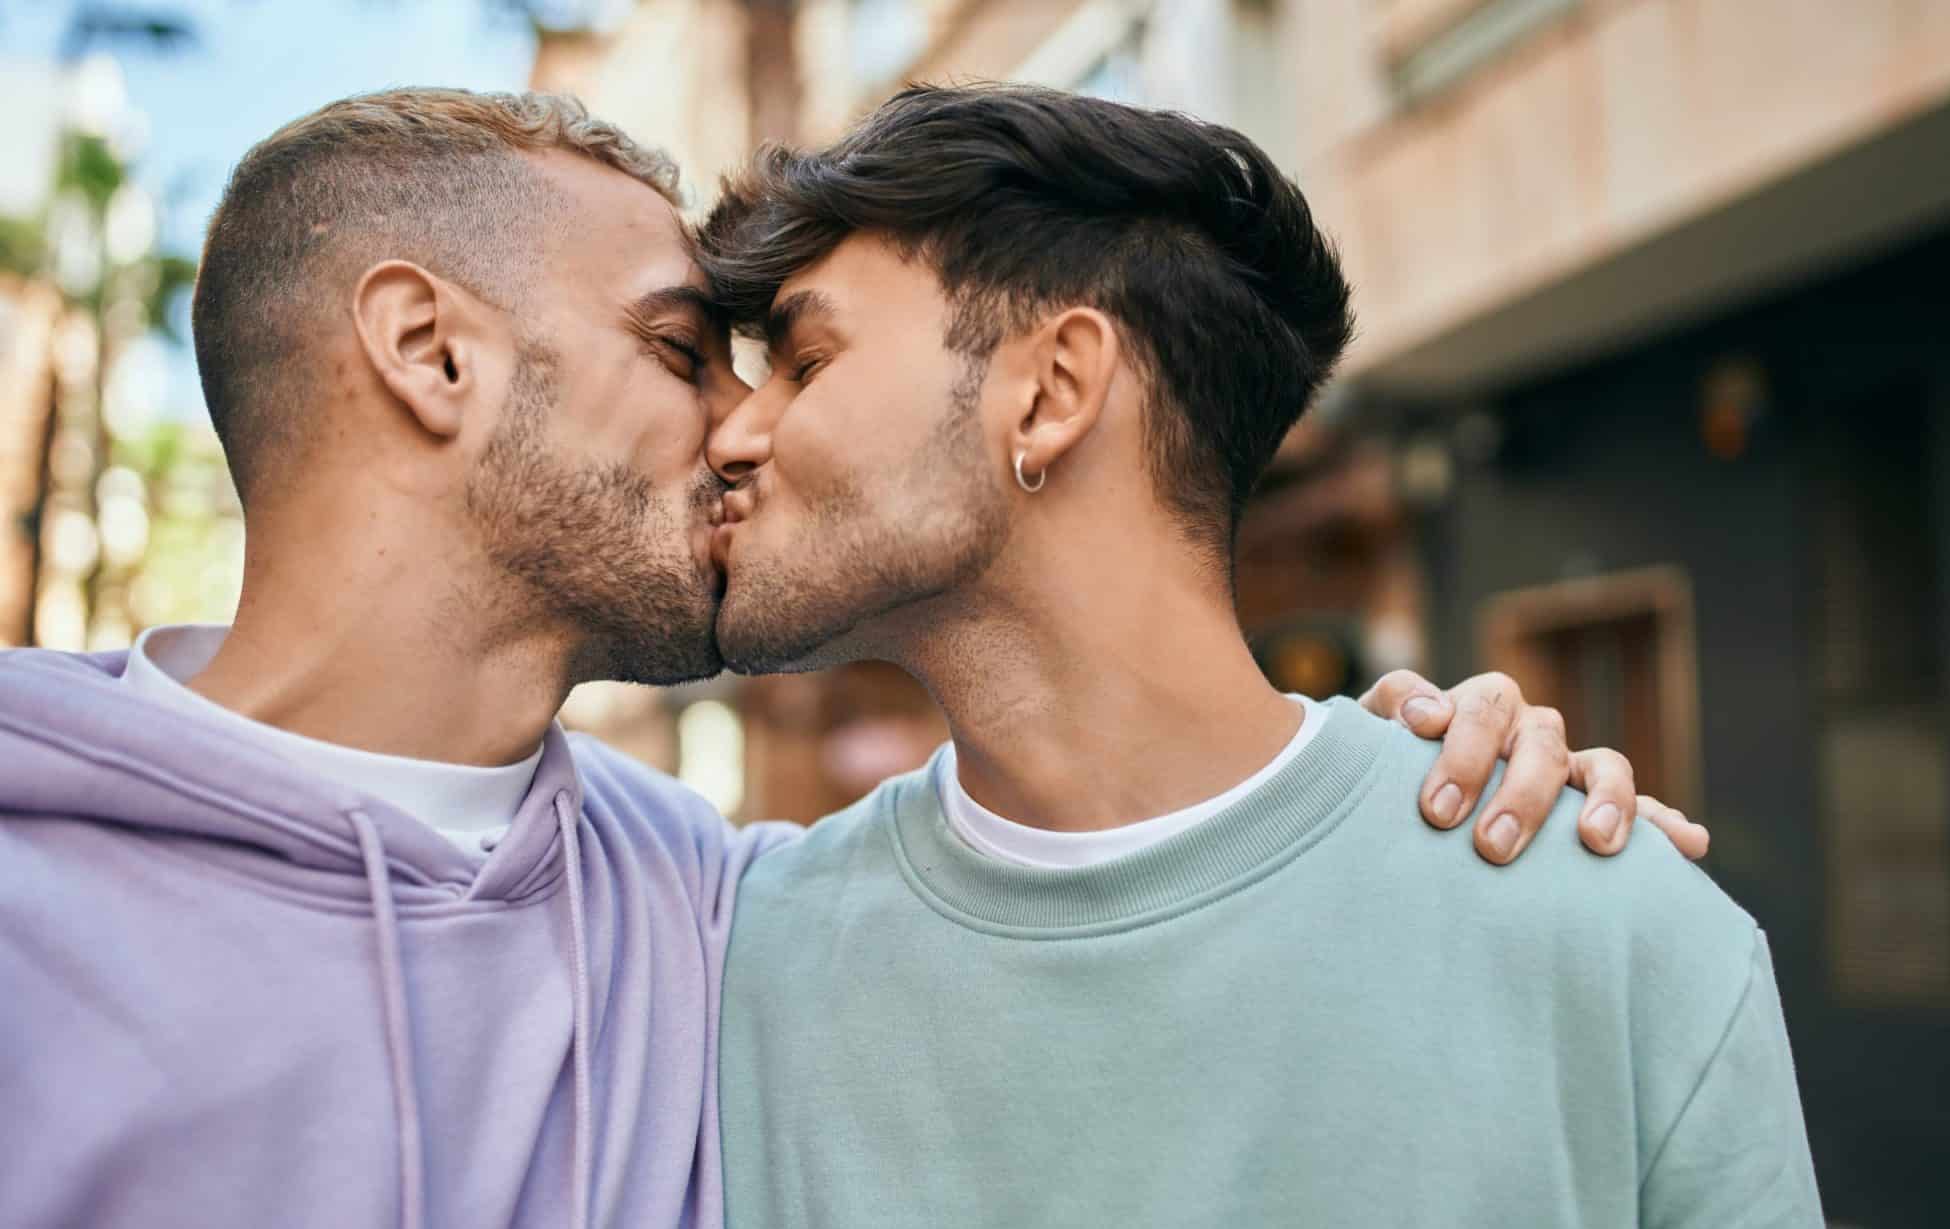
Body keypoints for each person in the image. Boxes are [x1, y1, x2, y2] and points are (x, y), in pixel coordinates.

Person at [1, 89, 1692, 1229]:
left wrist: (1418, 776)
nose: (733, 422)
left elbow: (1129, 877)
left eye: (781, 360)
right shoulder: (33, 897)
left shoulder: (715, 910)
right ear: (428, 352)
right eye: (681, 347)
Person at [699, 84, 1823, 1226]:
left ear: (1049, 391)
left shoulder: (1619, 931)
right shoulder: (734, 959)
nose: (733, 431)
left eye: (801, 360)